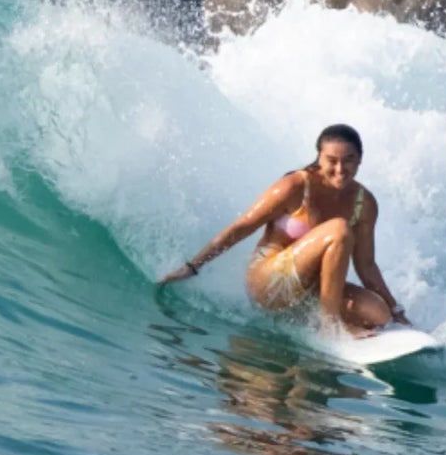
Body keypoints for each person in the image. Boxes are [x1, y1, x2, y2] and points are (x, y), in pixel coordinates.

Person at [159, 125, 410, 336]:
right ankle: (329, 327)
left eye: (349, 160)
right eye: (331, 161)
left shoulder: (364, 203)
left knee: (377, 314)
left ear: (360, 159)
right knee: (339, 230)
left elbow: (366, 266)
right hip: (270, 281)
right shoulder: (294, 186)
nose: (340, 169)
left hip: (310, 292)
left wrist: (396, 310)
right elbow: (242, 227)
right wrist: (193, 266)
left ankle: (321, 321)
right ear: (319, 157)